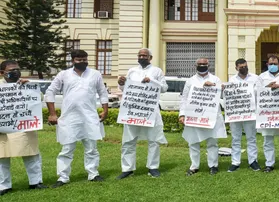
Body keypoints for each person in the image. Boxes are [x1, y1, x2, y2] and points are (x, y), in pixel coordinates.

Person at [45, 49, 108, 187]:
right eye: (79, 60)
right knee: (67, 149)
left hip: (89, 117)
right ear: (73, 60)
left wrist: (105, 110)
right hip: (69, 118)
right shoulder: (64, 74)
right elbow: (50, 92)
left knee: (91, 148)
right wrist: (52, 113)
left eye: (85, 59)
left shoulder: (95, 74)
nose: (83, 62)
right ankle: (63, 177)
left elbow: (102, 92)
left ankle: (93, 174)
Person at [116, 48, 168, 179]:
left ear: (150, 58)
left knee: (153, 140)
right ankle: (127, 169)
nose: (142, 57)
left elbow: (164, 88)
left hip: (150, 111)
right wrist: (121, 84)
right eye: (140, 55)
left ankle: (153, 167)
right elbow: (126, 88)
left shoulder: (157, 71)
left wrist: (151, 81)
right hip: (132, 111)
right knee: (128, 140)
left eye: (145, 55)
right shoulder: (132, 71)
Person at [0, 60, 46, 195]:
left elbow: (38, 99)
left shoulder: (26, 85)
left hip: (23, 126)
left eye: (17, 69)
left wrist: (30, 87)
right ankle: (4, 186)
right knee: (2, 157)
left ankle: (36, 182)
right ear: (2, 73)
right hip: (3, 128)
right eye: (12, 70)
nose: (16, 73)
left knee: (31, 154)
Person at [179, 58, 226, 176]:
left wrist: (215, 86)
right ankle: (194, 166)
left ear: (208, 65)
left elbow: (222, 93)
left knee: (212, 142)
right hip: (194, 116)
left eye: (204, 64)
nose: (202, 65)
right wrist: (182, 114)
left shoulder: (215, 79)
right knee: (193, 141)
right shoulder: (190, 81)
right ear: (195, 65)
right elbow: (184, 98)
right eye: (199, 64)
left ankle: (213, 165)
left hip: (210, 116)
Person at [258, 55, 279, 172]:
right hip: (267, 113)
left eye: (275, 63)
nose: (273, 65)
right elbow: (257, 91)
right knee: (268, 139)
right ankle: (269, 163)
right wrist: (267, 87)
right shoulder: (262, 77)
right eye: (271, 63)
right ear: (267, 65)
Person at [226, 58, 261, 172]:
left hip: (250, 113)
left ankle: (253, 161)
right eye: (241, 67)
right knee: (236, 138)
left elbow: (260, 92)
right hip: (236, 114)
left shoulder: (255, 78)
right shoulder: (232, 80)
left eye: (245, 66)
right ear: (236, 68)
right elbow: (228, 96)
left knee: (251, 138)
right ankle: (235, 162)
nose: (244, 68)